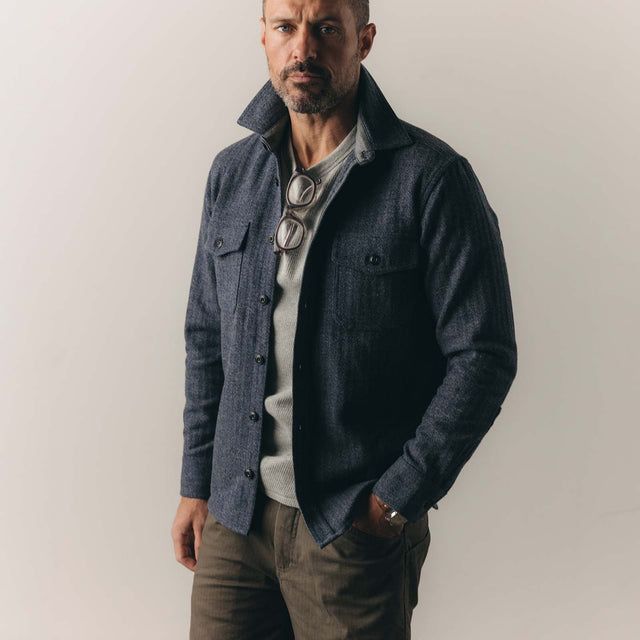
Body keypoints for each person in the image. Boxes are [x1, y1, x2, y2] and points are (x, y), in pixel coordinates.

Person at [171, 0, 518, 637]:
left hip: (350, 530)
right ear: (264, 37)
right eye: (286, 27)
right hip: (233, 519)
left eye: (327, 28)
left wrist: (394, 500)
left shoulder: (431, 179)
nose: (303, 48)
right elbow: (206, 339)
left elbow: (483, 355)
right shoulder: (232, 174)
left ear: (364, 39)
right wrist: (197, 484)